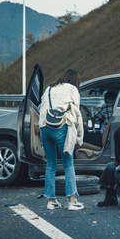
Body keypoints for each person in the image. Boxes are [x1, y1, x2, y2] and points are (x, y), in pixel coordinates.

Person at [39, 69, 85, 211]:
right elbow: (76, 114)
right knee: (68, 165)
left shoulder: (49, 88)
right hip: (62, 128)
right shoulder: (72, 89)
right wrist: (79, 138)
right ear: (75, 81)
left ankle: (51, 201)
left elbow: (41, 107)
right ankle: (72, 201)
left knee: (51, 165)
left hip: (45, 127)